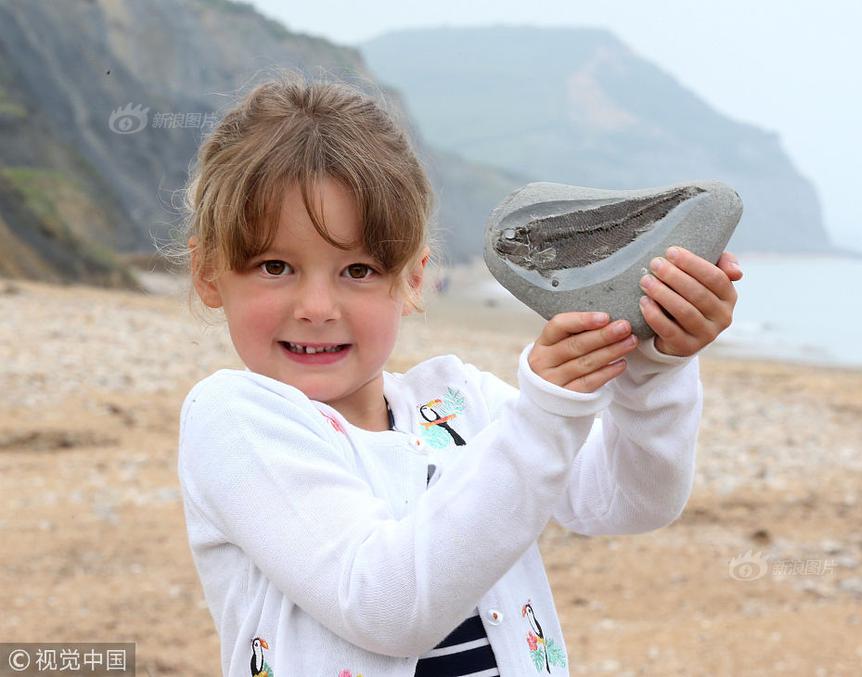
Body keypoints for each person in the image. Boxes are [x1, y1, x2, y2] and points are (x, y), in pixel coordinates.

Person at [173, 73, 742, 677]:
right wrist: (546, 417)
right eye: (275, 266)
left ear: (413, 279)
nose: (317, 307)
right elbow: (385, 605)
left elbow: (630, 501)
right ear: (208, 273)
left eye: (359, 271)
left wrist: (655, 364)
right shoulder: (235, 419)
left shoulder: (460, 402)